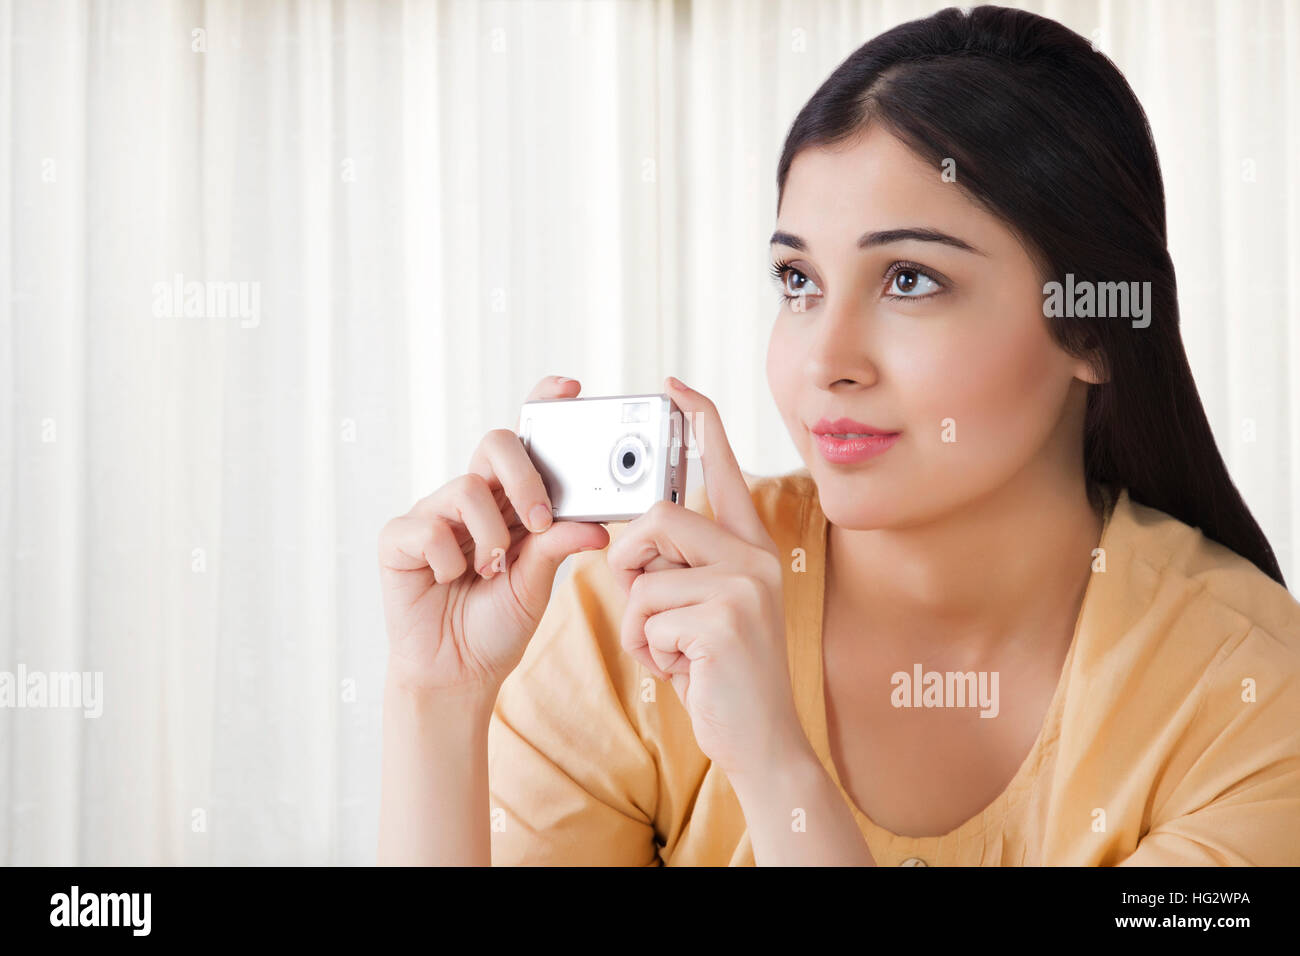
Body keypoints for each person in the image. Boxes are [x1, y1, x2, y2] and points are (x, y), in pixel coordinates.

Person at [376, 5, 1300, 866]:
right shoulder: (626, 618)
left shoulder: (1251, 695)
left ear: (1093, 327)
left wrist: (777, 768)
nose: (825, 359)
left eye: (909, 280)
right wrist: (441, 701)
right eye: (799, 282)